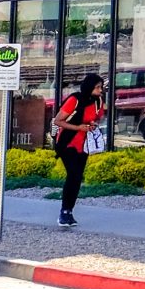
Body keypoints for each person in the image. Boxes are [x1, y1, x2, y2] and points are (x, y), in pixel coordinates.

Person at [52, 74, 106, 226]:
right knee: (73, 174)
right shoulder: (74, 100)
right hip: (67, 142)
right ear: (89, 87)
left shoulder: (98, 102)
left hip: (84, 144)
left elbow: (98, 117)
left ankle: (69, 211)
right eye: (97, 87)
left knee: (77, 177)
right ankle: (64, 212)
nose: (100, 90)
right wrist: (78, 127)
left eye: (101, 87)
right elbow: (58, 120)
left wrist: (92, 124)